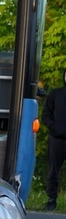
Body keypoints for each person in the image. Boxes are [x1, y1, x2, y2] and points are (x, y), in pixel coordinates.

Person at [42, 69, 66, 210]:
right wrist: (53, 127)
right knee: (53, 171)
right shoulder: (55, 94)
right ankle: (51, 200)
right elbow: (46, 114)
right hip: (56, 140)